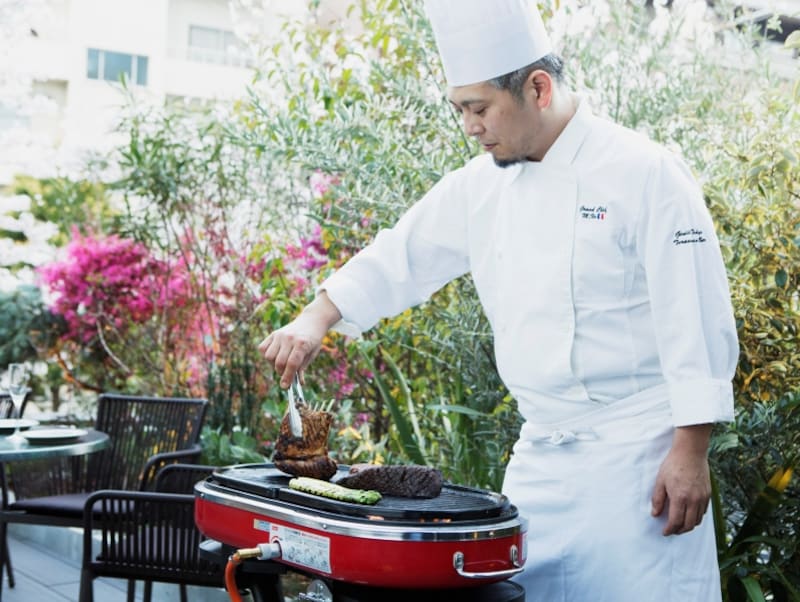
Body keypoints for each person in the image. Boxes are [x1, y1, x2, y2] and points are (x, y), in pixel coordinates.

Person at [259, 0, 739, 599]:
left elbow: (694, 313)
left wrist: (690, 449)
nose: (469, 126)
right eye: (459, 109)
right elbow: (400, 254)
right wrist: (315, 318)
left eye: (479, 108)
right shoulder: (479, 187)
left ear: (537, 88)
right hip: (542, 461)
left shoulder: (646, 173)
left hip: (639, 461)